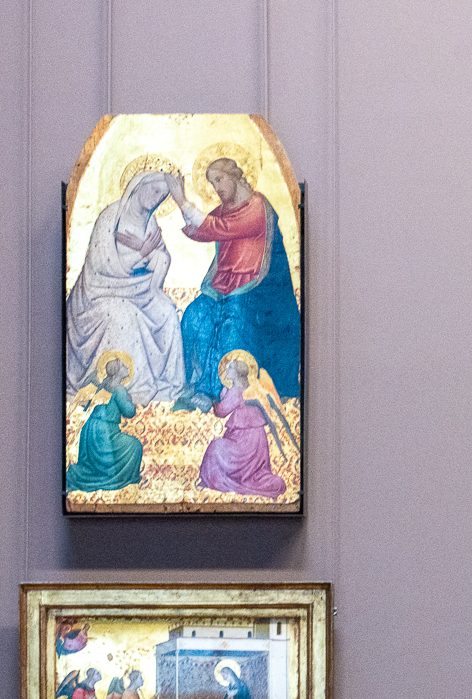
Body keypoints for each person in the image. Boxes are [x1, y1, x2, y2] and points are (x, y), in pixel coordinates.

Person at [169, 159, 301, 408]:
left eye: (219, 180)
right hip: (222, 287)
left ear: (235, 177)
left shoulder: (257, 206)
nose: (216, 188)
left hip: (255, 291)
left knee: (233, 321)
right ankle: (197, 386)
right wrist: (183, 207)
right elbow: (202, 230)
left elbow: (217, 227)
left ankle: (222, 392)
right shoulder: (223, 210)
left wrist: (182, 200)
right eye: (212, 183)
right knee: (194, 316)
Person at [65, 169, 186, 403]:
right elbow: (102, 264)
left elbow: (161, 257)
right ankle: (131, 390)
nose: (157, 199)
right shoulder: (111, 217)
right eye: (155, 191)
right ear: (139, 185)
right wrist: (142, 253)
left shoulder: (150, 221)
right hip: (100, 294)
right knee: (125, 316)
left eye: (162, 196)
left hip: (141, 292)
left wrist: (150, 262)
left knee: (168, 314)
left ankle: (168, 389)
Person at [195, 353, 288, 497]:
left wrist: (217, 399)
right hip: (256, 445)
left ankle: (216, 481)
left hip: (245, 445)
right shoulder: (249, 389)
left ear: (238, 373)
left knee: (215, 447)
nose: (226, 370)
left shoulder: (236, 390)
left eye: (230, 368)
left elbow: (221, 412)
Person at [66, 352, 145, 493]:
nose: (127, 367)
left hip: (90, 431)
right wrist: (130, 401)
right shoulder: (119, 389)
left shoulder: (103, 384)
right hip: (105, 434)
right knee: (135, 446)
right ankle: (123, 478)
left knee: (94, 465)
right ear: (117, 372)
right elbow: (129, 412)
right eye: (123, 366)